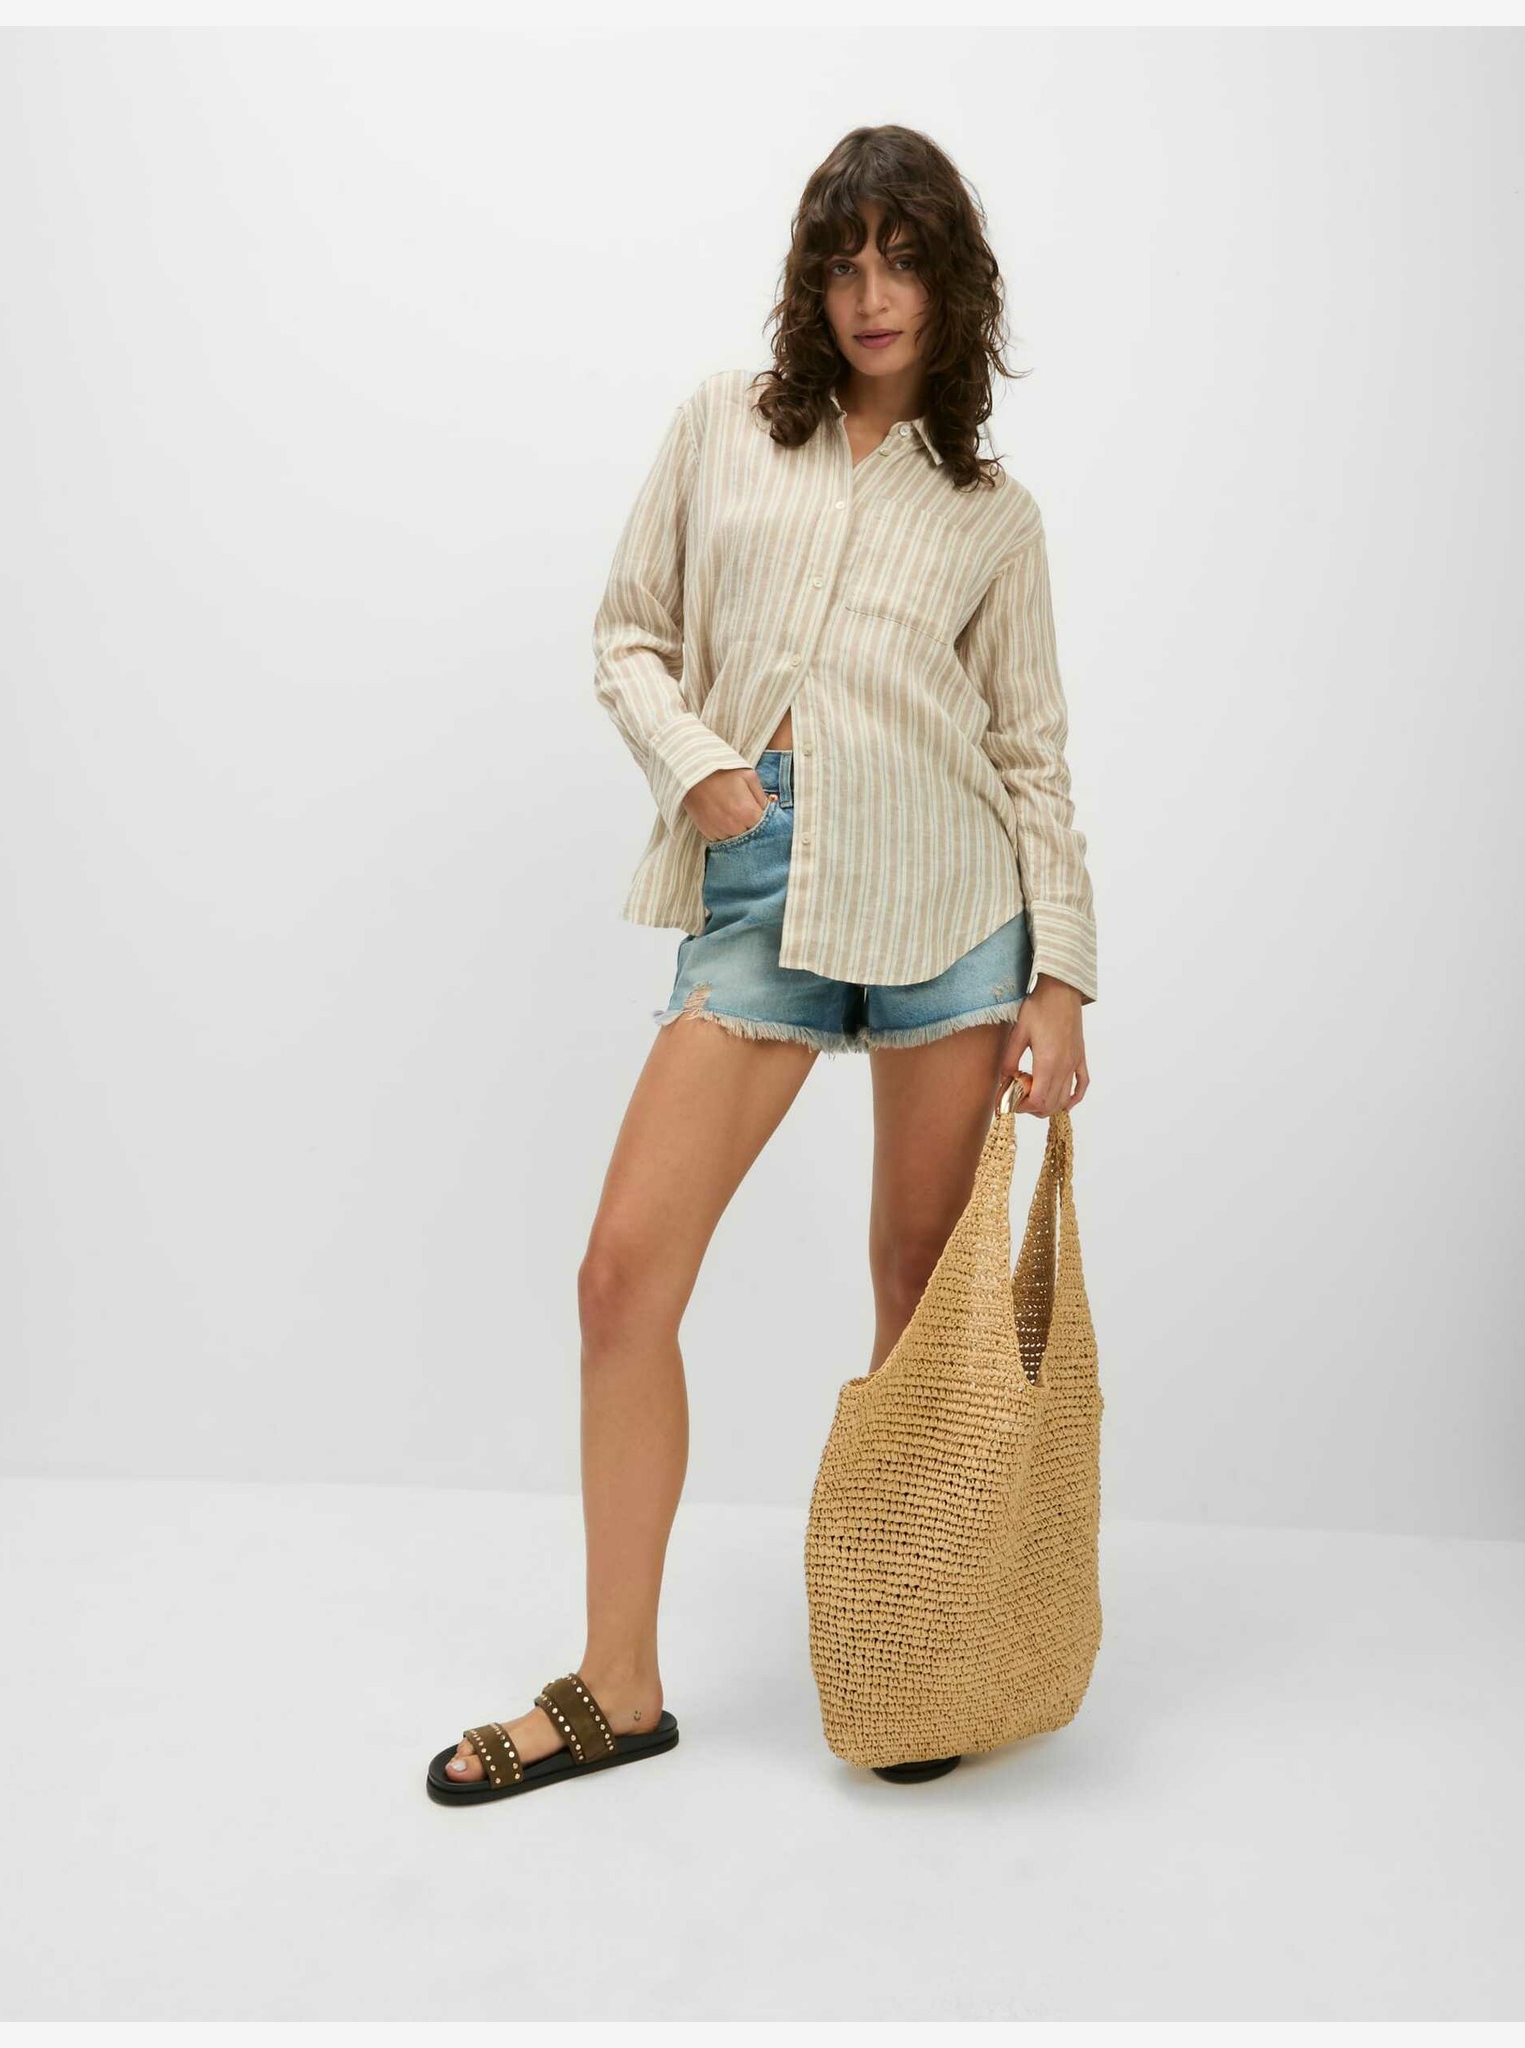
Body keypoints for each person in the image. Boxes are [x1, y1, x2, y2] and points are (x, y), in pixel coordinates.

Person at [427, 124, 1096, 1803]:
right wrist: (700, 766)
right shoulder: (721, 427)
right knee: (622, 1279)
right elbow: (626, 635)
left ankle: (916, 1657)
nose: (872, 295)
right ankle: (620, 1685)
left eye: (903, 261)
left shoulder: (993, 516)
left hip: (952, 907)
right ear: (812, 280)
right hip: (761, 886)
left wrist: (1064, 980)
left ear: (952, 285)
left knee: (916, 1293)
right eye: (844, 261)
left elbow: (1031, 758)